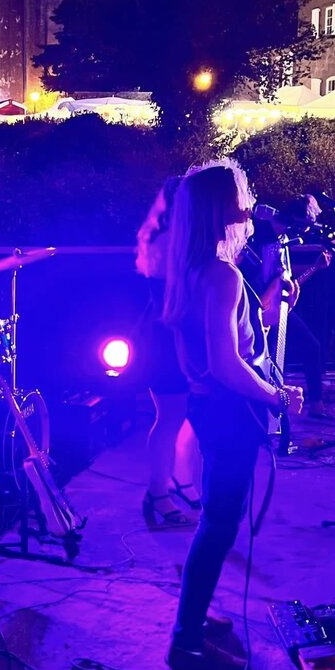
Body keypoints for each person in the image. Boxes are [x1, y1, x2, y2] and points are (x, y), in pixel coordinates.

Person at [162, 160, 304, 670]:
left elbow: (225, 346)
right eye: (242, 192)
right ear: (222, 206)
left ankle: (195, 616)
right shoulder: (221, 275)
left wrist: (270, 306)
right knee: (219, 523)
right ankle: (185, 642)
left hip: (210, 408)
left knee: (216, 520)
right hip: (229, 413)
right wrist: (276, 396)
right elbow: (227, 364)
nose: (250, 200)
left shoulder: (194, 269)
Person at [135, 177, 202, 528]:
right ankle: (157, 494)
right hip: (167, 337)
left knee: (185, 414)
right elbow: (172, 301)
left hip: (177, 335)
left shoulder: (180, 237)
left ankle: (179, 481)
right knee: (169, 416)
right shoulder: (166, 241)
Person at [245, 195, 335, 422]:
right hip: (258, 311)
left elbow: (283, 276)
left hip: (277, 309)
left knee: (311, 347)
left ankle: (315, 406)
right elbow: (263, 278)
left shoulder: (282, 240)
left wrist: (314, 267)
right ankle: (265, 412)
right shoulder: (257, 237)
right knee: (263, 359)